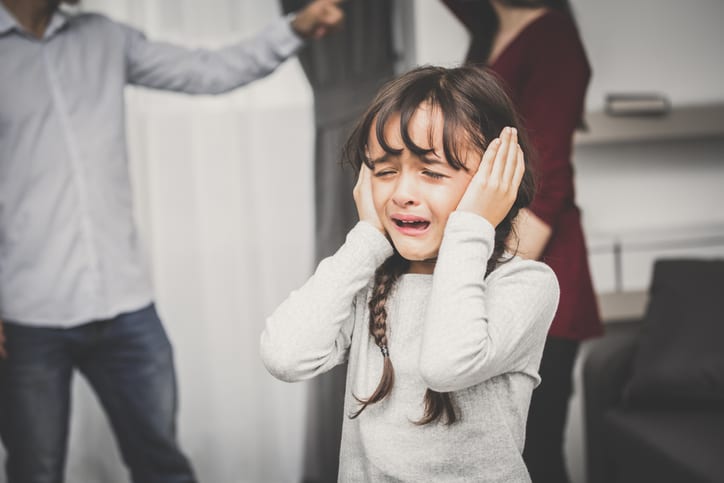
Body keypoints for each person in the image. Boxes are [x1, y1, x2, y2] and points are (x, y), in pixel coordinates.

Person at [0, 0, 343, 482]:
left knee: (162, 466)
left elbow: (210, 71)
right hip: (26, 319)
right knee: (34, 472)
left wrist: (296, 29)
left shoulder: (104, 37)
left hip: (125, 308)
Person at [260, 65, 560, 482]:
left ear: (495, 184)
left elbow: (447, 365)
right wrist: (365, 238)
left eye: (432, 173)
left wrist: (472, 225)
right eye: (385, 171)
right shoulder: (369, 281)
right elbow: (285, 355)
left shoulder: (526, 285)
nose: (402, 194)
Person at [441, 1, 605, 482]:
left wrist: (477, 279)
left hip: (535, 273)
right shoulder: (489, 26)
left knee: (530, 454)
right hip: (498, 265)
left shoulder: (553, 39)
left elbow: (545, 183)